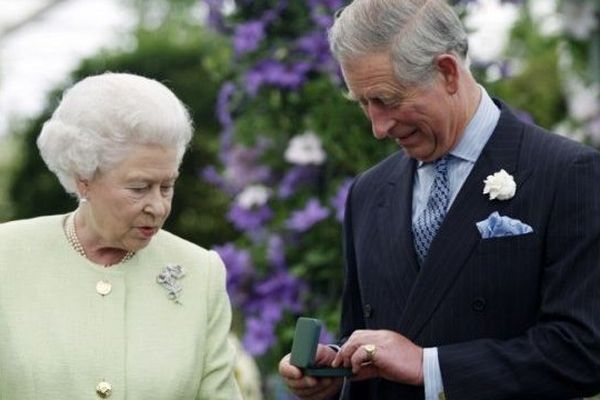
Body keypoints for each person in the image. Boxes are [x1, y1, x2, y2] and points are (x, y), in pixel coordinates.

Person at [278, 0, 600, 399]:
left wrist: (431, 367)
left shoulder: (568, 173)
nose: (378, 128)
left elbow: (582, 351)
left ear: (447, 72)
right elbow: (372, 333)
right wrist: (335, 373)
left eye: (387, 99)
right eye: (364, 103)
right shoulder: (367, 192)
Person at [0, 72, 241, 399]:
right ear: (83, 178)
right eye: (139, 188)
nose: (157, 206)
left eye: (167, 186)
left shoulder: (201, 271)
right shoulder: (7, 256)